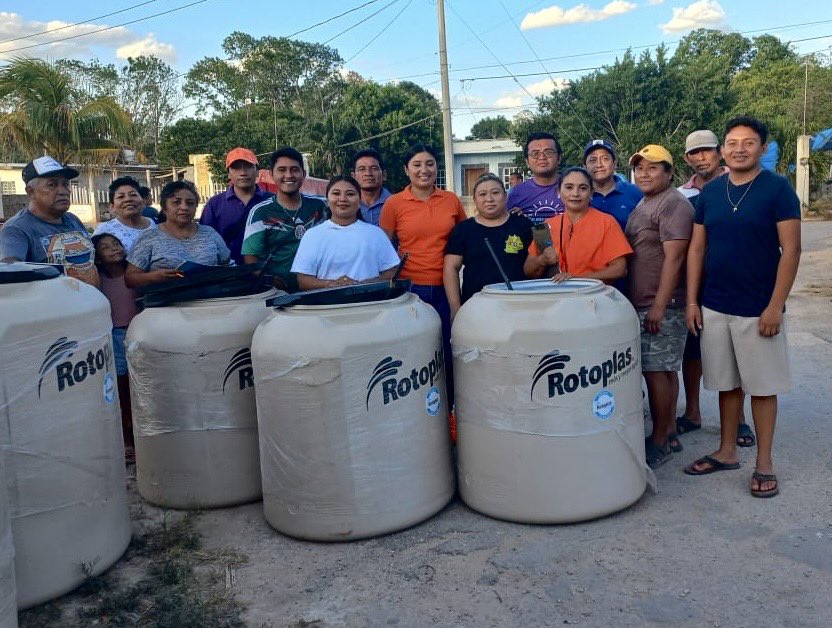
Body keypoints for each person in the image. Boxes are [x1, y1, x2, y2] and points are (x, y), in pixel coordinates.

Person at [684, 116, 801, 498]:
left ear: (762, 149)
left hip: (758, 307)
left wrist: (775, 306)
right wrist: (691, 301)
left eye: (747, 142)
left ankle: (764, 462)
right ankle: (727, 450)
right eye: (731, 142)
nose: (738, 149)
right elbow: (697, 249)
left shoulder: (777, 189)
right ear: (722, 150)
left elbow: (791, 251)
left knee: (763, 387)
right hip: (715, 304)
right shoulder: (710, 194)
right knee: (726, 383)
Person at [674, 130, 753, 446]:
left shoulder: (742, 186)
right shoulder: (681, 195)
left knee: (736, 353)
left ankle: (739, 420)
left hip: (733, 282)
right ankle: (692, 412)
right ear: (687, 159)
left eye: (706, 151)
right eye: (694, 153)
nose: (701, 157)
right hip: (694, 283)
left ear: (719, 152)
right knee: (692, 350)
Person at [380, 144, 467, 409]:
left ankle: (450, 412)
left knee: (448, 354)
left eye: (429, 163)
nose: (423, 170)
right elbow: (384, 249)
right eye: (417, 164)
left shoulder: (450, 200)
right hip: (410, 292)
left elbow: (466, 236)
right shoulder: (394, 204)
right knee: (415, 354)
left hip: (445, 290)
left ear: (436, 168)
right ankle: (416, 412)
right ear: (406, 170)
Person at [626, 144, 694, 468]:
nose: (644, 172)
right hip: (647, 302)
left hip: (661, 303)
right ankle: (668, 432)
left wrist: (660, 305)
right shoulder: (646, 202)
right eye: (640, 167)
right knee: (664, 370)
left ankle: (659, 440)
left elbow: (676, 257)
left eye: (653, 167)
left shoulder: (673, 204)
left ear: (669, 172)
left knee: (656, 371)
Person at [444, 173, 533, 319]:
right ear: (475, 200)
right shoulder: (463, 230)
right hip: (476, 309)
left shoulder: (522, 225)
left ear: (505, 196)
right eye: (482, 194)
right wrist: (455, 308)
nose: (489, 199)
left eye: (495, 193)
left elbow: (539, 262)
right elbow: (451, 268)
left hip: (519, 308)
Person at [0, 155, 99, 286]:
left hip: (94, 303)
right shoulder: (16, 229)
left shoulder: (72, 219)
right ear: (31, 192)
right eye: (52, 185)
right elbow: (10, 269)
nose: (63, 191)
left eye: (65, 184)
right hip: (53, 306)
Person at [241, 147, 329, 292]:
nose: (288, 175)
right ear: (271, 174)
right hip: (278, 294)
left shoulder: (320, 206)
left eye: (294, 169)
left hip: (318, 288)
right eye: (282, 170)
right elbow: (250, 259)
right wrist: (268, 280)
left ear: (304, 174)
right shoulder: (260, 212)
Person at [291, 175, 400, 290]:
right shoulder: (312, 235)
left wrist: (368, 283)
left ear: (359, 202)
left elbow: (391, 272)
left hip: (370, 303)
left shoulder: (375, 234)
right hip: (327, 305)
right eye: (336, 193)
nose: (343, 199)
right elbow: (303, 281)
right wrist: (331, 284)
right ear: (327, 201)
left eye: (350, 194)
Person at [524, 167, 631, 283]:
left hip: (594, 295)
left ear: (591, 193)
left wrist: (577, 279)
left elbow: (620, 269)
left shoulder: (607, 222)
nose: (575, 193)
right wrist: (543, 260)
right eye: (569, 187)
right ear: (558, 192)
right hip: (557, 297)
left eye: (583, 188)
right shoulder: (545, 227)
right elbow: (528, 271)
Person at [126, 180, 231, 289]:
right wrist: (154, 277)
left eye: (190, 203)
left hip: (211, 301)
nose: (184, 207)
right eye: (176, 202)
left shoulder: (210, 233)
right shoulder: (149, 237)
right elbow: (130, 279)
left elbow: (228, 267)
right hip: (166, 303)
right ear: (164, 207)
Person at [92, 233, 140, 461]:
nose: (114, 249)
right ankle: (125, 437)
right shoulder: (97, 280)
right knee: (120, 384)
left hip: (138, 330)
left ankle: (138, 432)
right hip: (114, 334)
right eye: (105, 247)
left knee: (139, 382)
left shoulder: (136, 273)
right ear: (97, 257)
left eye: (117, 244)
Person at [200, 147, 272, 265]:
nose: (243, 173)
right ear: (228, 173)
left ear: (257, 171)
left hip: (267, 274)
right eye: (236, 168)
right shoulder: (214, 205)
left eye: (248, 166)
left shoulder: (272, 201)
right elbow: (205, 241)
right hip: (228, 275)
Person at [584, 139, 643, 233]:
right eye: (593, 160)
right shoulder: (579, 196)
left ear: (615, 164)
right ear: (585, 166)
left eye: (605, 159)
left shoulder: (636, 192)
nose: (599, 165)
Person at [506, 132, 565, 225]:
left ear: (559, 158)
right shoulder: (516, 194)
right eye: (535, 154)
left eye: (548, 152)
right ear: (527, 162)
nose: (542, 157)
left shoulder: (574, 188)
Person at [93, 176, 156, 252]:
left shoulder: (159, 224)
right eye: (121, 196)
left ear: (143, 202)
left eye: (133, 195)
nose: (128, 199)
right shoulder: (104, 230)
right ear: (113, 207)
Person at [350, 149, 391, 226]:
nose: (368, 173)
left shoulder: (397, 204)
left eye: (374, 168)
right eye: (362, 169)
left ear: (384, 175)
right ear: (353, 176)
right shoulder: (346, 205)